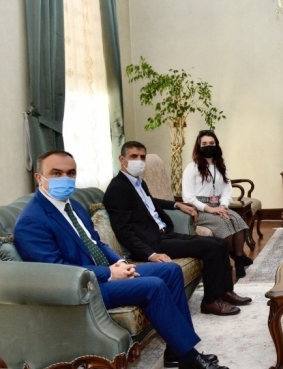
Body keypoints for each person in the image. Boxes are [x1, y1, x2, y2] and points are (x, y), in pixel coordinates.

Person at [13, 150, 227, 369]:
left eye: (71, 173)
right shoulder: (31, 221)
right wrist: (109, 273)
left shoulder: (73, 205)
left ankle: (176, 351)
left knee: (170, 270)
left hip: (103, 273)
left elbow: (97, 243)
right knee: (153, 286)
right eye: (56, 173)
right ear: (39, 177)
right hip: (85, 287)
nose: (65, 179)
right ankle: (189, 358)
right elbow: (58, 273)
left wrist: (121, 263)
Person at [103, 141, 251, 319]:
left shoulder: (138, 183)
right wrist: (150, 254)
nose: (139, 161)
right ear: (122, 159)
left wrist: (176, 204)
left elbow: (150, 202)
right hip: (153, 243)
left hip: (165, 234)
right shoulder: (117, 189)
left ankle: (225, 292)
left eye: (142, 157)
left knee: (219, 243)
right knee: (210, 247)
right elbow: (123, 231)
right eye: (133, 156)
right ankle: (210, 302)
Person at [182, 130, 252, 278]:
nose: (208, 146)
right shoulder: (192, 168)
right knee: (223, 224)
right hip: (199, 209)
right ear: (199, 146)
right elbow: (188, 197)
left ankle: (239, 259)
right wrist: (209, 209)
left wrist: (223, 206)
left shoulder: (220, 166)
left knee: (237, 220)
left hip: (218, 205)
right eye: (204, 144)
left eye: (211, 143)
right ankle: (230, 258)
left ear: (216, 145)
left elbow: (227, 190)